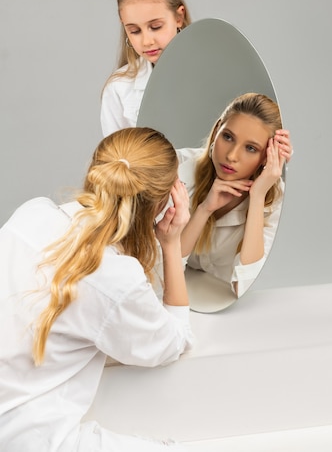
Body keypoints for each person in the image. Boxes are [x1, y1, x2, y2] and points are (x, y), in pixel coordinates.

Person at [0, 127, 194, 452]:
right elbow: (175, 341)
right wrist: (171, 243)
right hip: (31, 439)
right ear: (163, 201)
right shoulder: (117, 279)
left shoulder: (31, 214)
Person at [178, 93, 293, 298]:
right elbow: (159, 268)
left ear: (267, 156)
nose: (231, 156)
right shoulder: (176, 167)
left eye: (250, 148)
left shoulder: (275, 200)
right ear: (216, 132)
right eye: (228, 137)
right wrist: (204, 209)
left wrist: (257, 198)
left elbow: (246, 287)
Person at [101, 0, 191, 137]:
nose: (147, 41)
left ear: (178, 17)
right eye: (134, 30)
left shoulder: (210, 70)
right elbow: (115, 159)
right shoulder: (119, 88)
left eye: (156, 27)